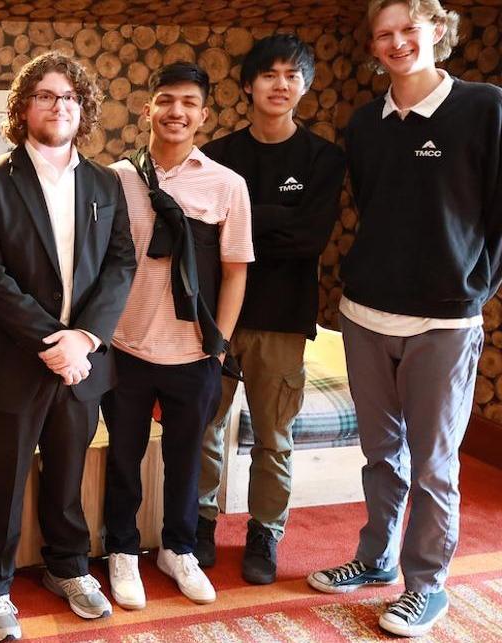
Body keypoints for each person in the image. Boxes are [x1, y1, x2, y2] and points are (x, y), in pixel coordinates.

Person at [307, 1, 502, 637]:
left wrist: (474, 284)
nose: (396, 43)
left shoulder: (484, 108)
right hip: (364, 315)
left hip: (444, 324)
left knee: (435, 465)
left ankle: (427, 587)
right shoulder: (365, 124)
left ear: (437, 31)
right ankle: (374, 558)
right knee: (379, 455)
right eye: (384, 34)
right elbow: (375, 207)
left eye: (408, 30)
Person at [0, 51, 136, 641]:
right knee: (3, 477)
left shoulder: (106, 182)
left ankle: (68, 567)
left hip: (83, 363)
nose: (58, 106)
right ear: (24, 107)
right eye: (45, 96)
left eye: (68, 98)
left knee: (68, 472)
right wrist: (50, 341)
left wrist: (84, 339)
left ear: (81, 109)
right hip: (13, 360)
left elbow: (119, 264)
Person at [194, 34, 346, 584]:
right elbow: (207, 238)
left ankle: (264, 531)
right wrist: (276, 216)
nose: (281, 85)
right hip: (217, 316)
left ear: (304, 85)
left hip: (283, 318)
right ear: (248, 85)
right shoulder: (217, 156)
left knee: (273, 435)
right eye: (269, 74)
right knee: (205, 427)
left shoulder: (323, 158)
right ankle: (200, 521)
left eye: (292, 75)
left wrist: (245, 218)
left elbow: (309, 239)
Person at [104, 62, 254, 609]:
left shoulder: (226, 185)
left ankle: (178, 549)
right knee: (123, 457)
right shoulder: (115, 179)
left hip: (195, 350)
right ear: (147, 109)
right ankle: (121, 551)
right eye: (166, 100)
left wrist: (219, 348)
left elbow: (236, 269)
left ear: (204, 115)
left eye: (189, 103)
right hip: (125, 346)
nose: (177, 112)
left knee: (188, 458)